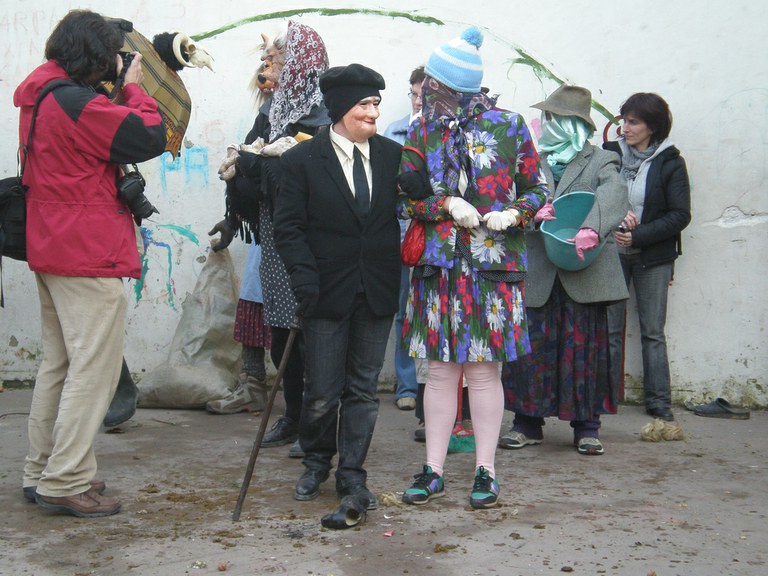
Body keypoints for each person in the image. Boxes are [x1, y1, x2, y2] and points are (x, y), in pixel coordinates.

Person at [15, 9, 166, 517]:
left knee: (59, 365)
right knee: (93, 371)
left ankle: (42, 470)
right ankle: (67, 479)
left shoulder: (43, 93)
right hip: (86, 251)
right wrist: (135, 88)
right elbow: (148, 135)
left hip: (52, 245)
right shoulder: (78, 103)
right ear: (95, 55)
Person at [397, 28, 547, 509]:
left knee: (483, 374)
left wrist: (515, 214)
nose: (428, 93)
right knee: (440, 373)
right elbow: (404, 196)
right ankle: (433, 470)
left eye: (435, 85)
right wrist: (444, 204)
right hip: (438, 267)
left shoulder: (510, 126)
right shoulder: (422, 130)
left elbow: (538, 188)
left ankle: (486, 470)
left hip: (491, 267)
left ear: (455, 87)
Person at [274, 63, 402, 512]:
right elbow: (288, 228)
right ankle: (315, 462)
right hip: (325, 291)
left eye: (376, 104)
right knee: (322, 390)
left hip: (377, 289)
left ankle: (352, 473)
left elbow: (415, 201)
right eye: (364, 104)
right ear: (341, 107)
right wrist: (304, 278)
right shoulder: (301, 161)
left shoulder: (392, 156)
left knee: (363, 389)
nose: (373, 112)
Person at [208, 21, 331, 457]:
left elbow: (303, 178)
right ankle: (294, 416)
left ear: (303, 64)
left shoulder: (326, 116)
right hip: (275, 241)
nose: (272, 69)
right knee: (280, 335)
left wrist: (257, 164)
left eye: (282, 60)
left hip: (314, 242)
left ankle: (317, 426)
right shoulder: (273, 111)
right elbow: (249, 158)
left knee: (313, 337)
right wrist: (233, 214)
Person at [500, 85, 629, 456]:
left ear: (574, 124)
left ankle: (587, 427)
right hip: (539, 271)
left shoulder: (602, 159)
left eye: (554, 118)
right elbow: (510, 197)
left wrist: (593, 227)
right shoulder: (530, 159)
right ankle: (526, 424)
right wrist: (528, 213)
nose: (547, 123)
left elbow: (614, 192)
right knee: (531, 350)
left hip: (585, 272)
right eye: (547, 117)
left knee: (584, 349)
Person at [606, 93, 691, 422]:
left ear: (652, 127)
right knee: (609, 330)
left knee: (653, 332)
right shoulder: (610, 155)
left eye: (633, 122)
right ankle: (605, 398)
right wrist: (615, 215)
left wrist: (638, 235)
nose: (625, 128)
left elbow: (680, 214)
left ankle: (658, 402)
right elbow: (593, 195)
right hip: (611, 255)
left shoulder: (670, 162)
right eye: (623, 120)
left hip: (652, 257)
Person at [383, 65, 426, 411]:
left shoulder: (446, 134)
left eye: (425, 95)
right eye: (414, 93)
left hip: (432, 233)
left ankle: (429, 386)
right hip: (398, 233)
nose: (418, 100)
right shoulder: (393, 131)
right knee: (401, 310)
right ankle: (406, 385)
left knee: (428, 309)